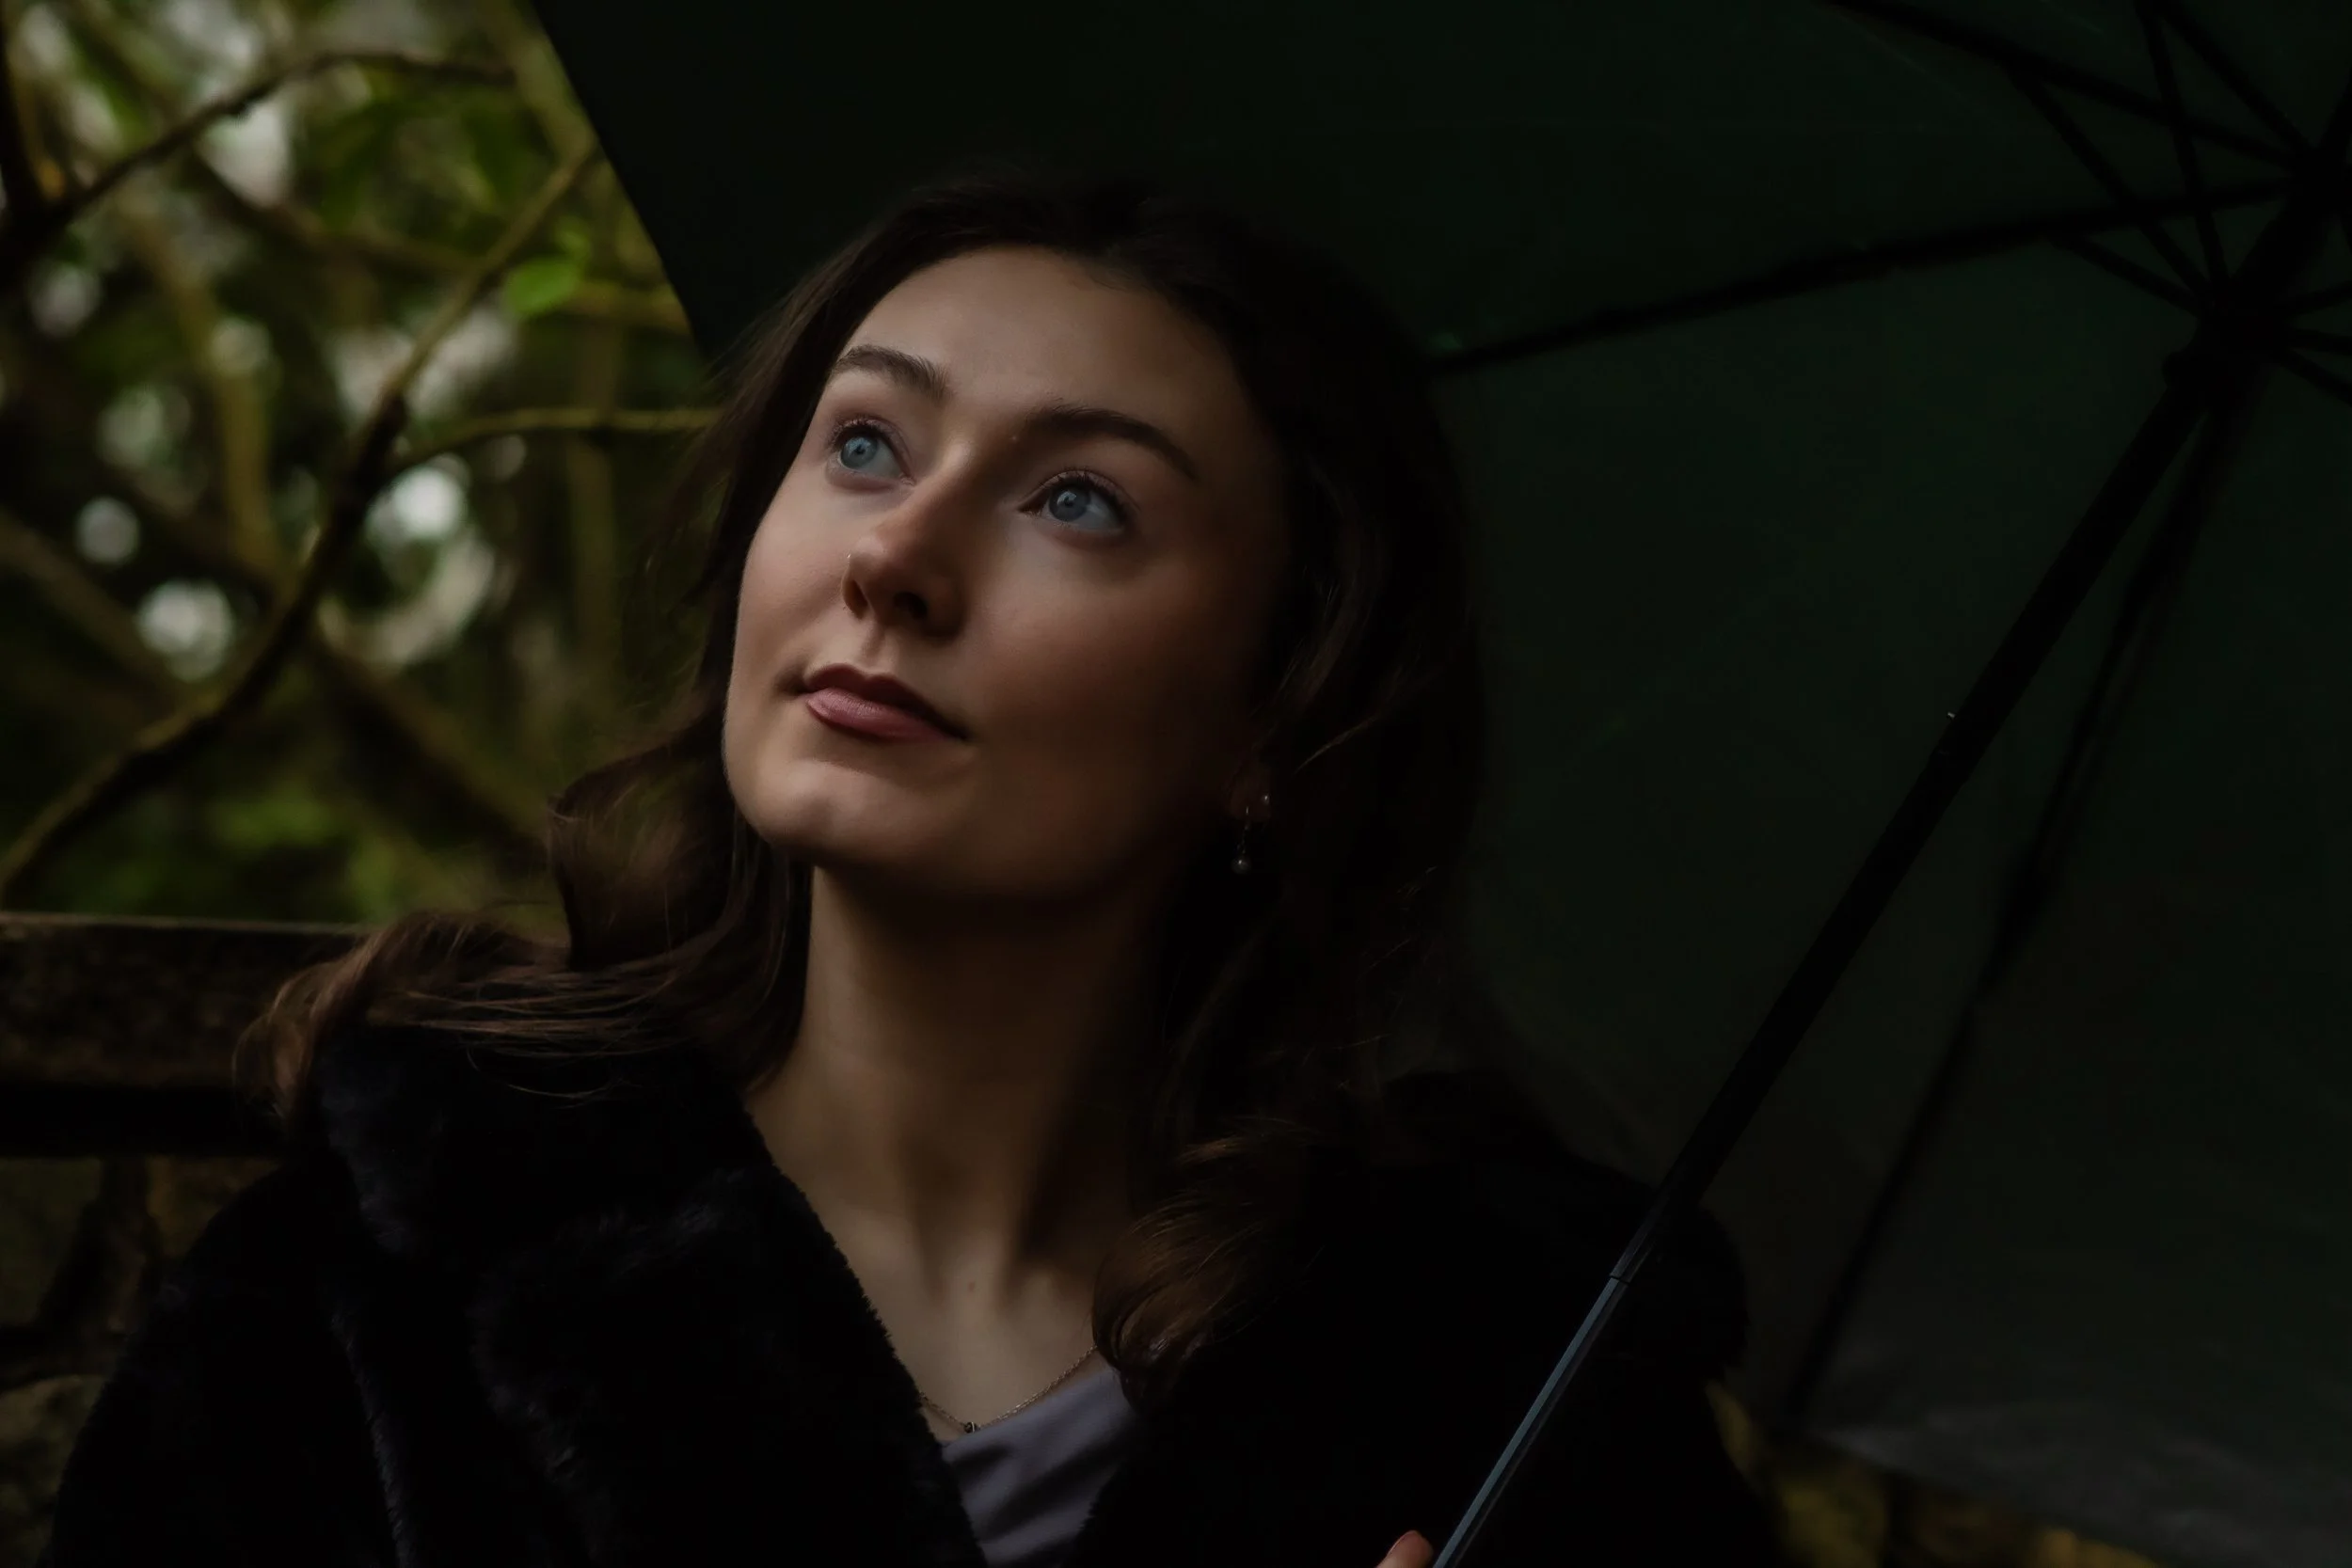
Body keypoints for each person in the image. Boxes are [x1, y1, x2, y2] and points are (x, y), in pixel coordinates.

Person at [41, 172, 1776, 1568]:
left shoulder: (1512, 1403)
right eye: (865, 442)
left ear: (1277, 711)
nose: (898, 559)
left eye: (1078, 500)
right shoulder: (380, 1287)